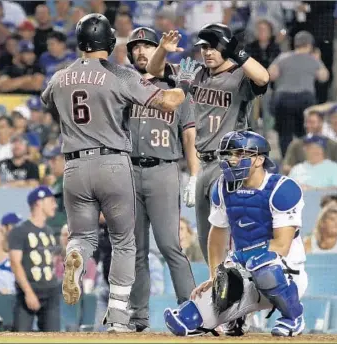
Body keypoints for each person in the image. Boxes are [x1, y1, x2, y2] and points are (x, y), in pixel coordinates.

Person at [40, 13, 199, 332]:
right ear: (111, 44)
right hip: (114, 164)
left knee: (82, 236)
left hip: (73, 166)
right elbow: (168, 102)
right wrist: (183, 83)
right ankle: (118, 316)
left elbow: (48, 103)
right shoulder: (120, 75)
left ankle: (75, 257)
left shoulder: (59, 77)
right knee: (126, 242)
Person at [163, 130, 308, 337]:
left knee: (264, 265)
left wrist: (236, 262)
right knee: (186, 321)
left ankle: (293, 317)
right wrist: (216, 275)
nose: (232, 160)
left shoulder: (283, 188)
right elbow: (217, 237)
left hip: (284, 272)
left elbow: (281, 245)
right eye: (229, 154)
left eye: (240, 154)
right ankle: (237, 317)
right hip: (244, 271)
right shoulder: (222, 186)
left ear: (259, 159)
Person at [146, 24, 270, 263]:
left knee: (229, 232)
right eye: (203, 47)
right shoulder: (195, 72)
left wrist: (236, 51)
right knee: (206, 241)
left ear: (226, 47)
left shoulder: (240, 75)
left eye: (213, 47)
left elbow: (263, 77)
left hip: (231, 163)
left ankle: (241, 285)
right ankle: (218, 286)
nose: (207, 52)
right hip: (202, 164)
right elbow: (154, 69)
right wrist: (162, 49)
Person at [125, 27, 198, 332]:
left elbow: (189, 134)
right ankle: (138, 317)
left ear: (158, 50)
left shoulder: (177, 87)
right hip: (127, 170)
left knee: (170, 245)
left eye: (147, 46)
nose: (141, 52)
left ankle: (192, 312)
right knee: (135, 249)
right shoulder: (123, 84)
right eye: (136, 47)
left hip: (164, 169)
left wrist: (194, 175)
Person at [8, 186, 60, 332]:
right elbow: (15, 263)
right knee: (20, 336)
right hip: (28, 292)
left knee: (54, 338)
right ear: (39, 202)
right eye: (51, 201)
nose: (55, 205)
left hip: (51, 292)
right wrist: (28, 292)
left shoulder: (49, 231)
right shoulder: (19, 231)